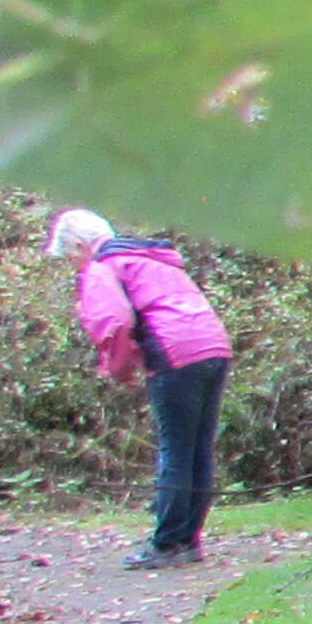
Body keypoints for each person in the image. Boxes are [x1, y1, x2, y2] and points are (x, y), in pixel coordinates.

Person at [52, 207, 235, 569]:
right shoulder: (153, 259)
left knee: (176, 451)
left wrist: (118, 368)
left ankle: (167, 544)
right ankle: (188, 540)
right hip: (214, 347)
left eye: (70, 257)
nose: (73, 265)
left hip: (175, 353)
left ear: (79, 245)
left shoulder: (104, 267)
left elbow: (113, 321)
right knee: (198, 448)